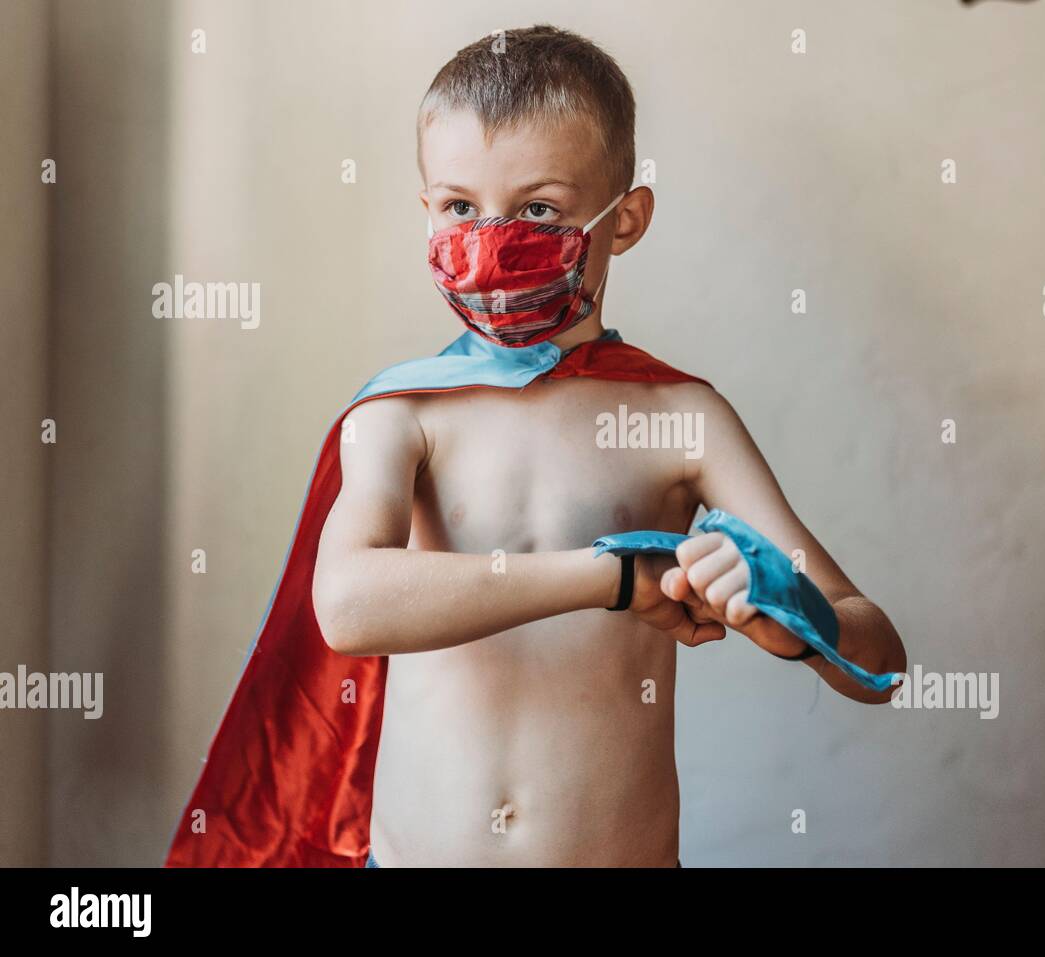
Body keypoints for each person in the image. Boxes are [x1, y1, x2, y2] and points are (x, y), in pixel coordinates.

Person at [166, 23, 905, 869]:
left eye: (538, 209)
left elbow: (875, 655)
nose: (489, 242)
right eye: (458, 207)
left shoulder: (680, 416)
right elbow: (349, 604)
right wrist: (619, 577)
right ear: (426, 211)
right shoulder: (403, 414)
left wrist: (793, 612)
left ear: (624, 220)